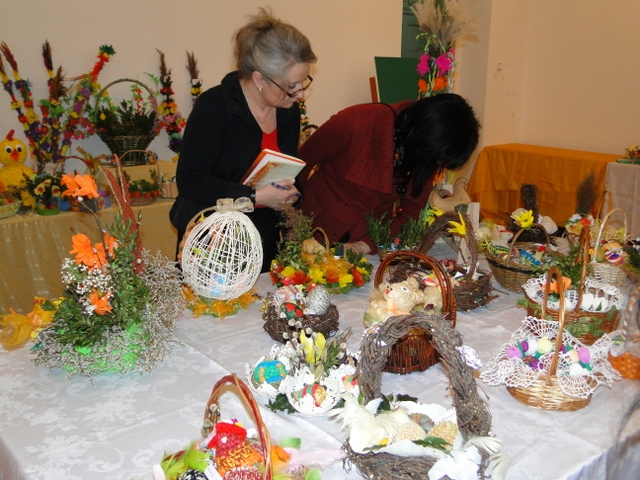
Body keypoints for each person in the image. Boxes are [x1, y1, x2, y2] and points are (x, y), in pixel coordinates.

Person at [169, 8, 316, 272]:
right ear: (259, 78)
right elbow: (191, 181)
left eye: (302, 83)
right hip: (213, 243)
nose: (300, 95)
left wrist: (292, 194)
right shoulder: (214, 107)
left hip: (263, 240)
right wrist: (254, 196)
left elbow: (285, 168)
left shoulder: (288, 111)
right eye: (291, 86)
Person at [297, 93, 480, 255]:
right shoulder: (358, 121)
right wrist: (293, 218)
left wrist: (365, 245)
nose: (435, 166)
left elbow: (411, 213)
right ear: (424, 136)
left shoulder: (426, 156)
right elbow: (300, 164)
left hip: (362, 242)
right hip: (309, 228)